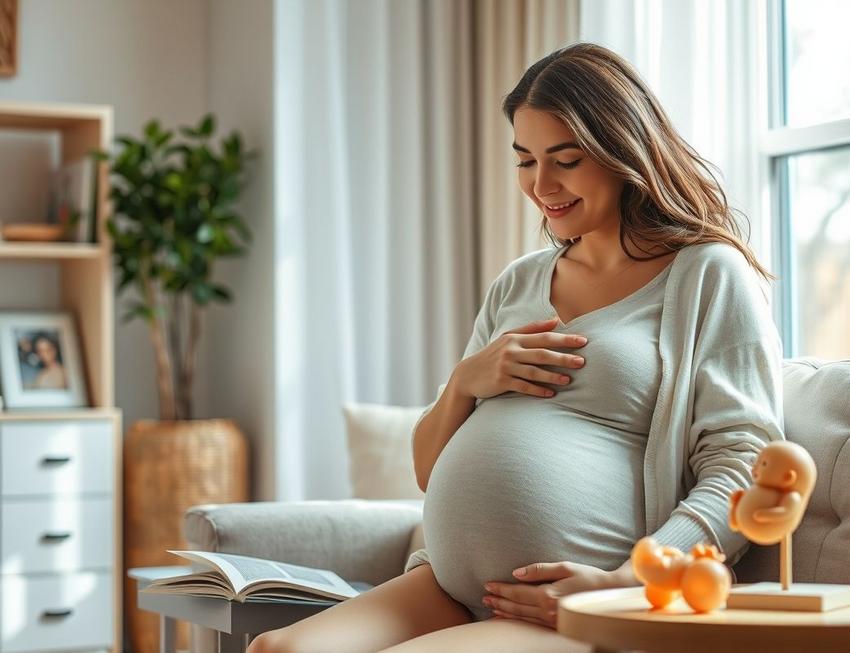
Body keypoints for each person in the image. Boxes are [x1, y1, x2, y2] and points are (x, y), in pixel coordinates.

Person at [247, 42, 784, 653]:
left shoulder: (705, 274)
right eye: (525, 160)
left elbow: (744, 465)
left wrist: (626, 583)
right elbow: (427, 471)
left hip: (582, 606)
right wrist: (464, 383)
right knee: (275, 650)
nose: (541, 185)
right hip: (446, 588)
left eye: (567, 160)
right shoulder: (520, 281)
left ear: (624, 151)